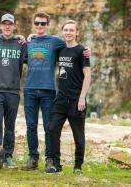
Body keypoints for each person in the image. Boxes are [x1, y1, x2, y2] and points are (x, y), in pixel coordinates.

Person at [22, 12, 90, 171]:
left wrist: (87, 50)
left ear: (48, 25)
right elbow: (24, 58)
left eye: (43, 23)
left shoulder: (56, 42)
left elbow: (75, 48)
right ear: (33, 24)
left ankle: (51, 160)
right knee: (32, 125)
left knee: (49, 127)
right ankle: (33, 158)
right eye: (37, 23)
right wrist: (26, 37)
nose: (40, 26)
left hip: (49, 90)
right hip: (31, 89)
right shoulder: (28, 42)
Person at [46, 20, 91, 174]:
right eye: (66, 30)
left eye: (71, 30)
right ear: (62, 32)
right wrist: (31, 36)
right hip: (61, 99)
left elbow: (88, 75)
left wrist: (82, 98)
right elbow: (44, 37)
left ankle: (78, 166)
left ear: (77, 32)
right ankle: (55, 164)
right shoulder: (60, 50)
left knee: (78, 135)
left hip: (76, 100)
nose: (68, 33)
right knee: (52, 129)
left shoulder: (82, 51)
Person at [0, 14, 27, 169]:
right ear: (0, 26)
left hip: (13, 91)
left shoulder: (20, 44)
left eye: (10, 24)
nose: (7, 27)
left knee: (10, 125)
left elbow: (32, 57)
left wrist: (28, 37)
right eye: (5, 24)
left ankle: (8, 156)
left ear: (14, 26)